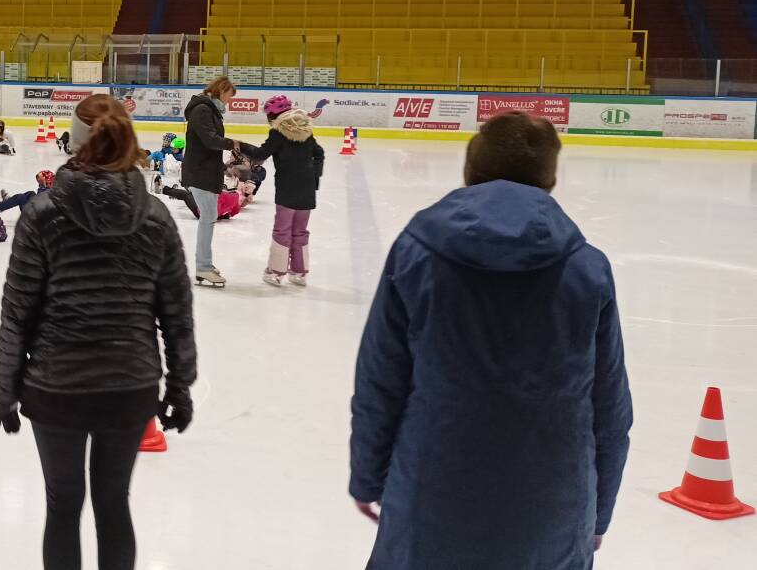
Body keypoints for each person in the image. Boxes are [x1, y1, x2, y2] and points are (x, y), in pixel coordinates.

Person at [349, 110, 633, 570]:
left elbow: (381, 378)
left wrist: (367, 475)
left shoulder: (417, 253)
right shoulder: (587, 269)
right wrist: (598, 513)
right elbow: (609, 405)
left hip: (431, 493)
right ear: (549, 179)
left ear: (470, 169)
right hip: (553, 507)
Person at [0, 93, 197, 570]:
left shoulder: (42, 213)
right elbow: (176, 312)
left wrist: (8, 390)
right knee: (113, 503)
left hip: (56, 388)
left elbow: (18, 313)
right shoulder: (156, 216)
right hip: (129, 388)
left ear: (74, 141)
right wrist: (180, 386)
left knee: (63, 506)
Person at [242, 108, 325, 287]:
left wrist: (240, 145)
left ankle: (276, 272)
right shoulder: (306, 132)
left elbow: (261, 154)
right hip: (307, 189)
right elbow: (319, 153)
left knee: (282, 230)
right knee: (300, 231)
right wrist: (314, 176)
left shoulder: (278, 134)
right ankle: (299, 273)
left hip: (287, 188)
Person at [182, 77, 244, 288]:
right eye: (229, 97)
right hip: (200, 172)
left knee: (208, 217)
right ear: (221, 91)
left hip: (205, 170)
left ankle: (204, 265)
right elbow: (209, 139)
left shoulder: (208, 110)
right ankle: (203, 267)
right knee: (208, 217)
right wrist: (232, 144)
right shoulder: (203, 110)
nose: (228, 102)